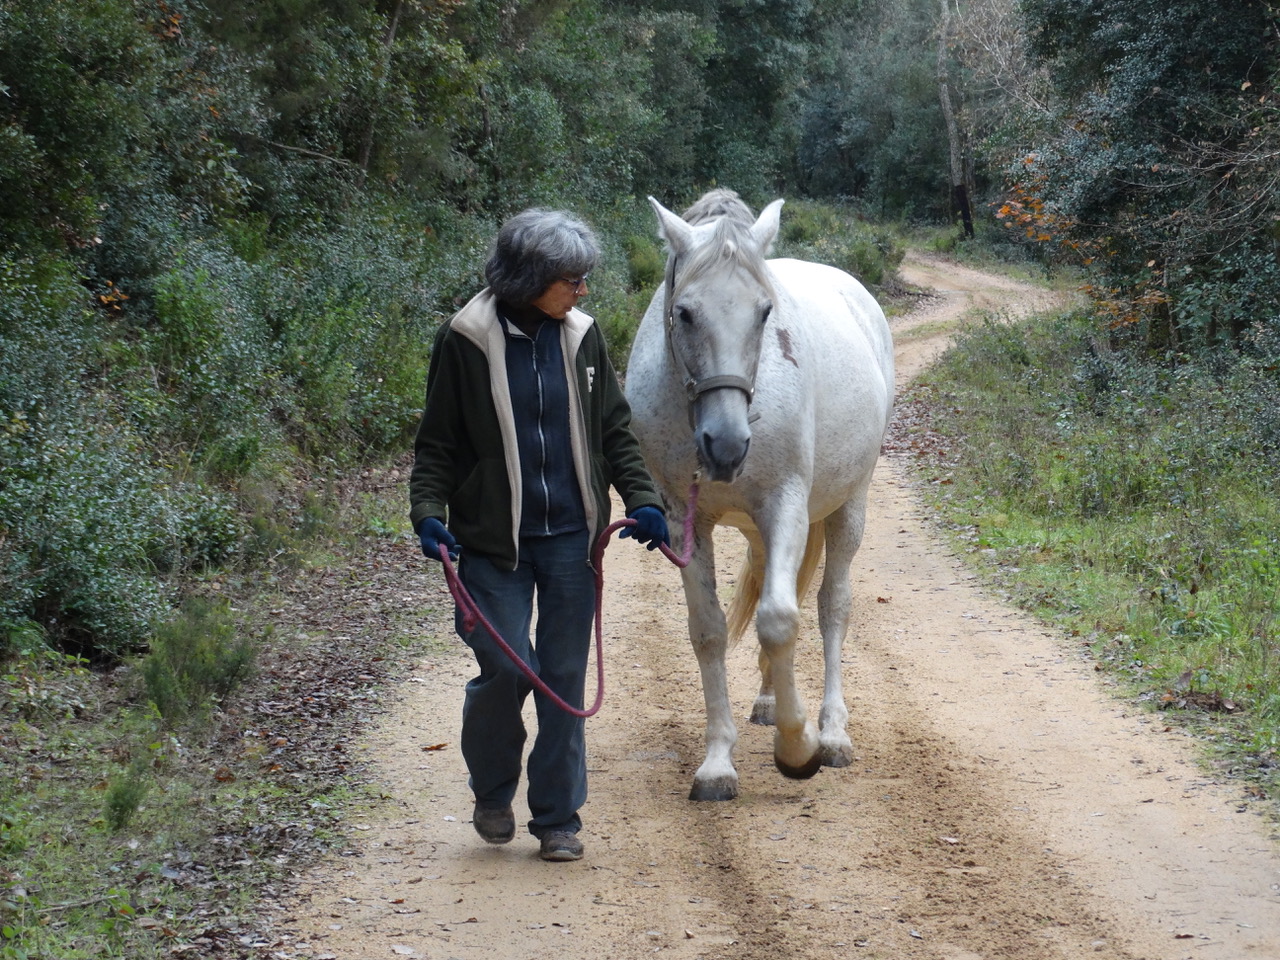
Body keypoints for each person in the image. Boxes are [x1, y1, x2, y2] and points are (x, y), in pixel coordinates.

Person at [408, 208, 670, 862]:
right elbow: (437, 443)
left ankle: (558, 819)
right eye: (571, 279)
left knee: (560, 680)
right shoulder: (464, 339)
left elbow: (615, 430)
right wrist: (427, 512)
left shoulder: (582, 338)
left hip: (570, 544)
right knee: (507, 669)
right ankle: (492, 791)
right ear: (529, 279)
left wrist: (643, 499)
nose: (583, 291)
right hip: (492, 546)